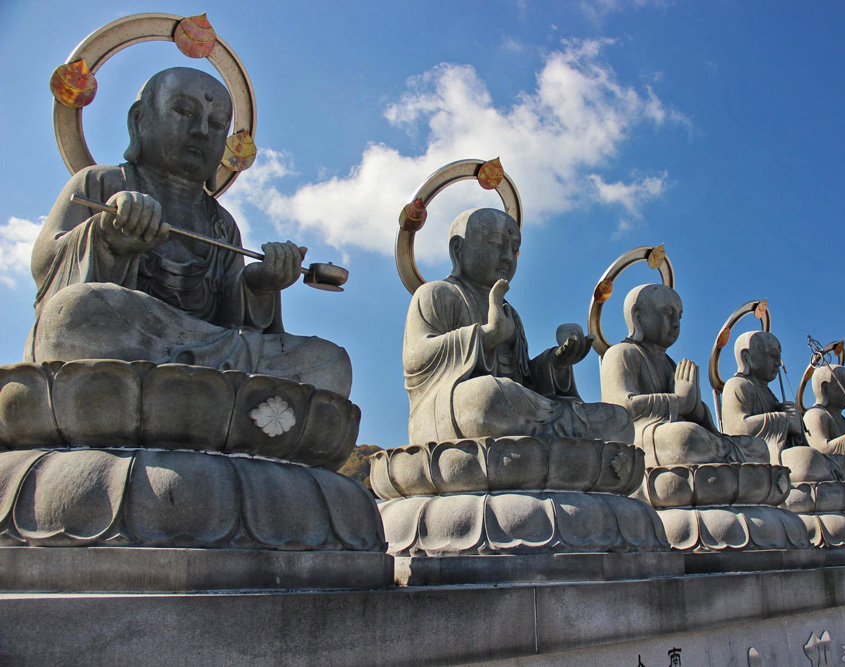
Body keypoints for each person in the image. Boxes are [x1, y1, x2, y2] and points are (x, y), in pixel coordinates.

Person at [27, 67, 351, 396]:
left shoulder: (221, 224)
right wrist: (105, 237)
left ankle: (194, 389)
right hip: (126, 336)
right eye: (183, 112)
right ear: (139, 120)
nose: (200, 131)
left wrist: (259, 285)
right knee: (77, 312)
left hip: (212, 351)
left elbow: (230, 323)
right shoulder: (101, 183)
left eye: (215, 124)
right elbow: (46, 265)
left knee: (329, 362)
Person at [402, 208, 633, 444]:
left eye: (514, 250)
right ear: (458, 250)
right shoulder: (436, 294)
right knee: (488, 396)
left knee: (619, 419)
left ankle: (551, 437)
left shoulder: (509, 312)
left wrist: (555, 363)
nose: (507, 257)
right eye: (495, 243)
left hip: (519, 410)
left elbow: (526, 382)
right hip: (457, 410)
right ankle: (561, 439)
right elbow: (415, 360)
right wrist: (485, 336)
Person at [600, 284, 768, 466]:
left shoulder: (671, 364)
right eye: (667, 313)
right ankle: (730, 471)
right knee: (685, 437)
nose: (675, 323)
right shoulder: (622, 353)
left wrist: (695, 407)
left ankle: (726, 467)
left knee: (758, 447)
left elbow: (693, 413)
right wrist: (679, 401)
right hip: (641, 436)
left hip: (687, 435)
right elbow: (620, 409)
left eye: (679, 316)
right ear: (638, 316)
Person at [721, 330, 805, 465]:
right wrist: (785, 420)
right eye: (772, 355)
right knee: (804, 459)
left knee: (807, 457)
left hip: (772, 452)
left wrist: (790, 414)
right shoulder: (737, 385)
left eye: (779, 357)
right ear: (746, 356)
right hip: (750, 454)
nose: (778, 363)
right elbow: (738, 428)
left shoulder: (768, 392)